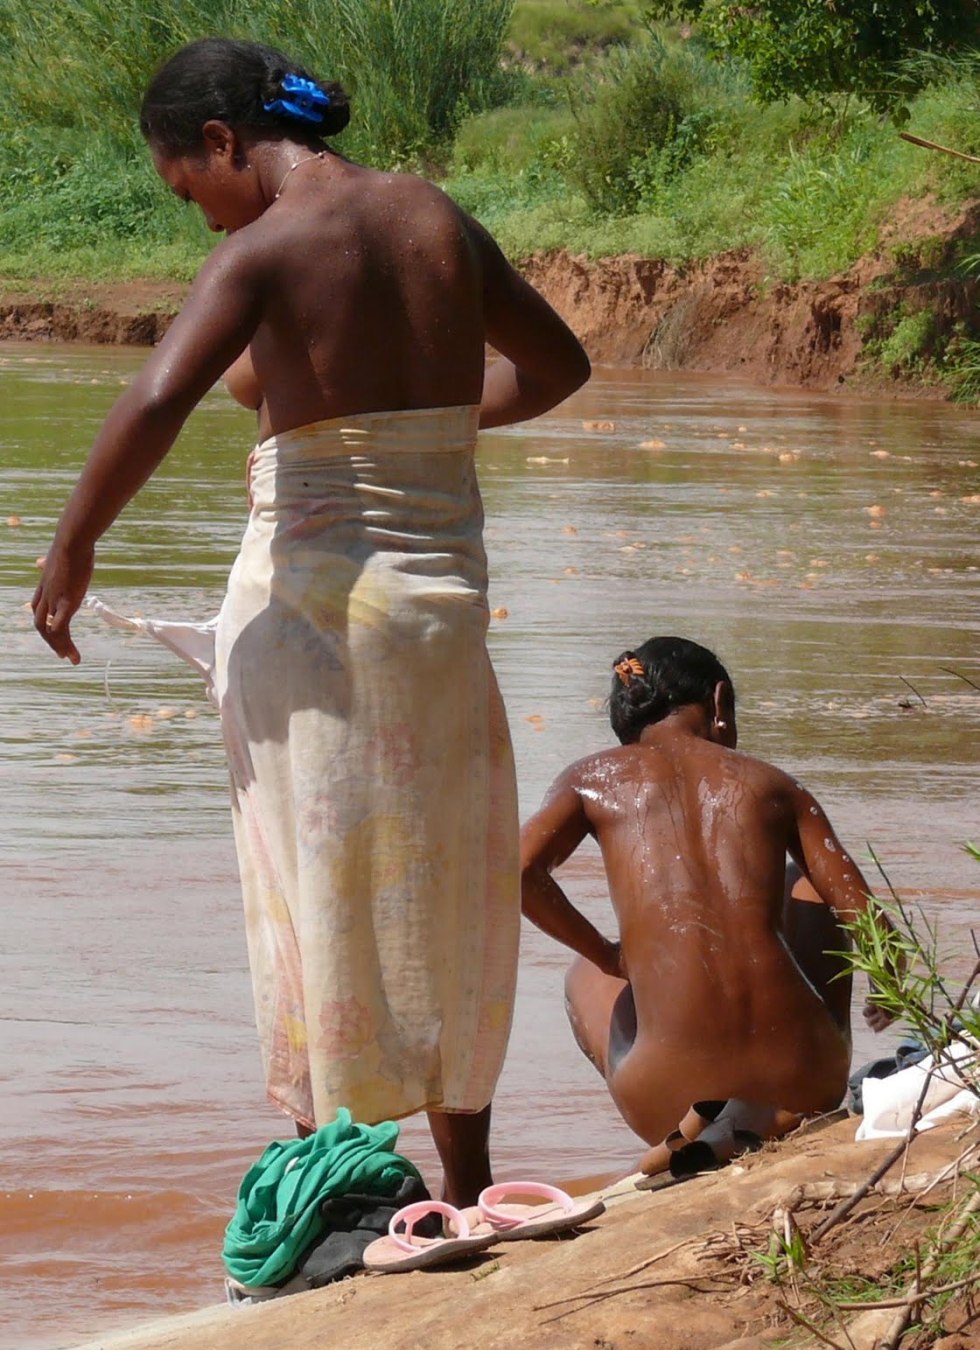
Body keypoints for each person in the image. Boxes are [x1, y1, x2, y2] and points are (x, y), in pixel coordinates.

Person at [32, 36, 591, 1206]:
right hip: (442, 615)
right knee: (446, 885)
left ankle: (335, 1187)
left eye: (190, 187)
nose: (198, 218)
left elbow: (156, 396)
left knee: (311, 887)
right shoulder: (435, 219)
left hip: (314, 616)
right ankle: (469, 1182)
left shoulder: (270, 246)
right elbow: (556, 366)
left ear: (225, 144)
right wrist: (421, 427)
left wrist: (73, 545)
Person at [519, 636, 892, 1177]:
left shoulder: (590, 780)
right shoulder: (772, 783)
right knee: (806, 884)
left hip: (664, 1094)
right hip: (807, 1080)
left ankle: (689, 1124)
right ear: (720, 703)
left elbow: (520, 872)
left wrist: (605, 954)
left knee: (585, 973)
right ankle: (775, 1109)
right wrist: (889, 989)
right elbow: (871, 920)